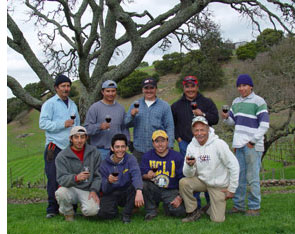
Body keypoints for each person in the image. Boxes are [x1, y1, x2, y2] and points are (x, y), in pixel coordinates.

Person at [222, 74, 269, 216]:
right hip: (239, 145)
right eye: (239, 86)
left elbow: (265, 125)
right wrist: (226, 118)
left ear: (251, 86)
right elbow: (233, 122)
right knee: (239, 177)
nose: (241, 88)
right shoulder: (236, 102)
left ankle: (254, 207)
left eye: (244, 85)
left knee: (252, 177)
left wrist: (252, 141)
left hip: (252, 146)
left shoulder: (258, 101)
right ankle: (239, 206)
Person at [179, 116, 239, 223]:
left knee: (217, 220)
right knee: (184, 182)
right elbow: (187, 174)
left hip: (218, 185)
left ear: (208, 129)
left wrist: (232, 189)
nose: (199, 133)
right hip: (202, 181)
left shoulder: (218, 144)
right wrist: (190, 166)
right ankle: (193, 212)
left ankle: (210, 207)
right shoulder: (191, 146)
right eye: (196, 130)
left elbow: (234, 165)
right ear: (193, 131)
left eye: (202, 129)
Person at [171, 75, 219, 208]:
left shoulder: (207, 102)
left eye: (193, 86)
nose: (190, 89)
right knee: (190, 175)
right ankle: (195, 206)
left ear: (197, 87)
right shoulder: (176, 106)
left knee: (209, 173)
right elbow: (172, 125)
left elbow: (215, 119)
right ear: (184, 88)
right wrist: (179, 139)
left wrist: (202, 114)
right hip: (186, 144)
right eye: (187, 87)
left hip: (206, 145)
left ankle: (211, 205)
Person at [39, 74, 80, 218]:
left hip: (70, 148)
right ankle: (52, 209)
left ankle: (71, 207)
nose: (66, 88)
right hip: (54, 146)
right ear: (56, 88)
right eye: (63, 86)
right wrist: (62, 124)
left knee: (70, 178)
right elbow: (42, 124)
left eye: (68, 86)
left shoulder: (73, 105)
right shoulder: (49, 104)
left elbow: (77, 126)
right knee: (53, 178)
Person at [55, 126, 101, 221]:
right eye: (76, 137)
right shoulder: (62, 156)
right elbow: (61, 179)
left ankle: (85, 208)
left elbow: (98, 175)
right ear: (71, 139)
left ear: (86, 138)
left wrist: (94, 190)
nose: (79, 140)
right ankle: (68, 212)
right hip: (70, 188)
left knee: (93, 211)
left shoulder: (94, 152)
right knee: (60, 193)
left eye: (82, 137)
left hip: (87, 189)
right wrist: (76, 178)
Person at [124, 77, 175, 163]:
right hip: (139, 150)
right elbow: (126, 123)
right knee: (138, 175)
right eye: (146, 88)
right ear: (142, 89)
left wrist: (169, 146)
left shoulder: (164, 106)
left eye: (151, 88)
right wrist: (132, 116)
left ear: (156, 89)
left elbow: (169, 127)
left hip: (158, 150)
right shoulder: (135, 104)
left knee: (158, 175)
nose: (149, 91)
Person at [98, 134, 144, 223]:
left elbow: (136, 174)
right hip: (112, 192)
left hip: (126, 191)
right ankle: (114, 210)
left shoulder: (131, 159)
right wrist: (108, 181)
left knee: (136, 187)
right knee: (104, 214)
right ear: (112, 148)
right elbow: (104, 188)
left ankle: (126, 214)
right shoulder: (104, 164)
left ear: (126, 148)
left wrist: (139, 190)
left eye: (123, 147)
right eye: (117, 147)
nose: (120, 150)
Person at [140, 130, 186, 221]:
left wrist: (179, 197)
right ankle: (151, 211)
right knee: (144, 184)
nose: (160, 144)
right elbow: (141, 175)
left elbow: (183, 179)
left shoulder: (177, 157)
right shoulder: (147, 156)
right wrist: (147, 175)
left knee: (179, 212)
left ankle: (167, 207)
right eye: (157, 141)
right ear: (153, 143)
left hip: (171, 190)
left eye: (163, 141)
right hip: (154, 188)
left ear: (167, 142)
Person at [84, 80, 129, 160]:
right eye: (108, 91)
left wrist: (126, 143)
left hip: (118, 151)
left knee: (117, 172)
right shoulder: (95, 108)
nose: (111, 94)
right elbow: (87, 129)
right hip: (100, 151)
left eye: (113, 91)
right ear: (102, 92)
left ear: (116, 92)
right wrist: (100, 126)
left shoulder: (121, 109)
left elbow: (124, 128)